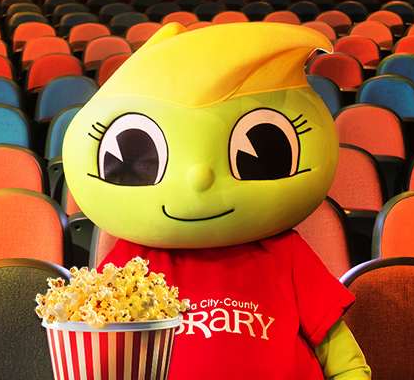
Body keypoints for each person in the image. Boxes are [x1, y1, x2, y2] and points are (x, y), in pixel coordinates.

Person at [62, 22, 371, 379]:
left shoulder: (286, 252)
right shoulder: (131, 265)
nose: (199, 177)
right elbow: (99, 359)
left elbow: (340, 355)